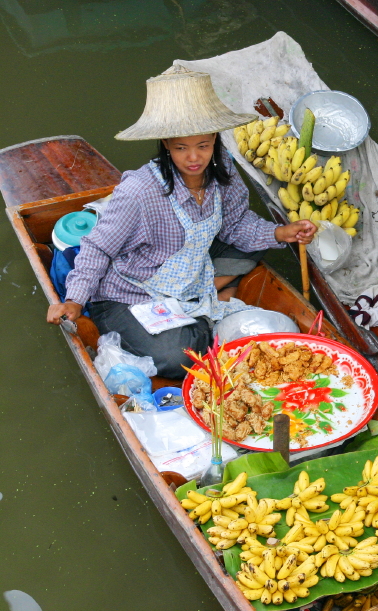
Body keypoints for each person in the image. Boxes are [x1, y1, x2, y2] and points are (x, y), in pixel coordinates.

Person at [46, 65, 316, 379]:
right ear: (166, 145)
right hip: (132, 292)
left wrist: (283, 232)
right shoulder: (139, 192)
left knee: (257, 244)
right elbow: (98, 248)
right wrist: (75, 300)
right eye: (181, 148)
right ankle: (209, 302)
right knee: (177, 357)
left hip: (190, 268)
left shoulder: (222, 169)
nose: (193, 158)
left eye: (203, 146)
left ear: (215, 139)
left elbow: (236, 224)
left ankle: (204, 298)